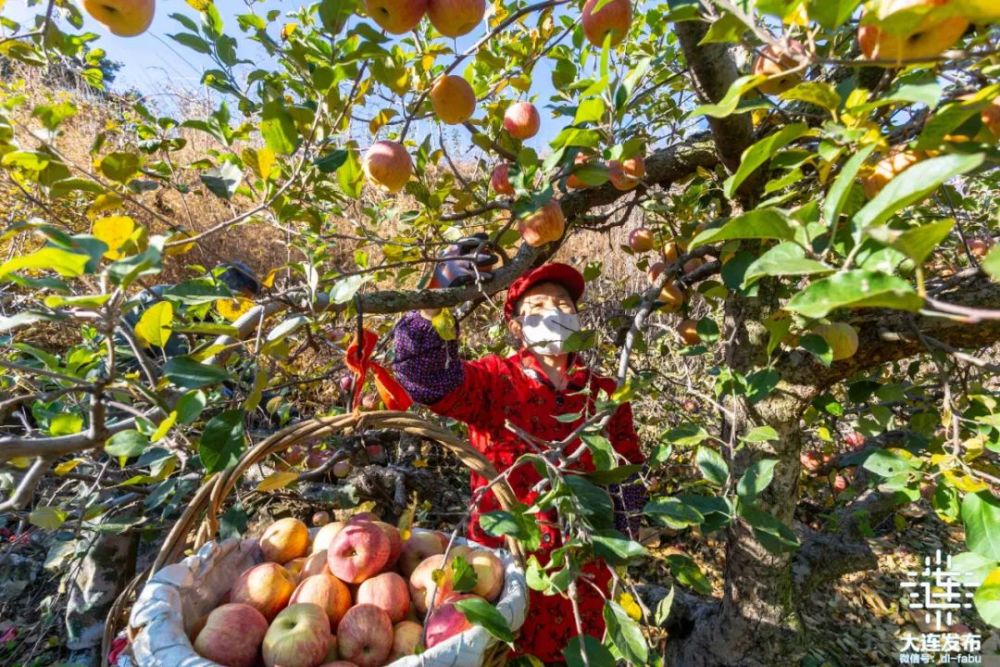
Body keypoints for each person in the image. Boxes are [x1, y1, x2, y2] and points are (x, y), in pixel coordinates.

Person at [392, 237, 647, 663]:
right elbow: (427, 380)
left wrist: (622, 547)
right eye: (538, 306)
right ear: (515, 327)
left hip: (583, 571)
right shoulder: (495, 380)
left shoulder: (603, 393)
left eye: (563, 304)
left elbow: (627, 469)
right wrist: (434, 300)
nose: (553, 313)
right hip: (503, 572)